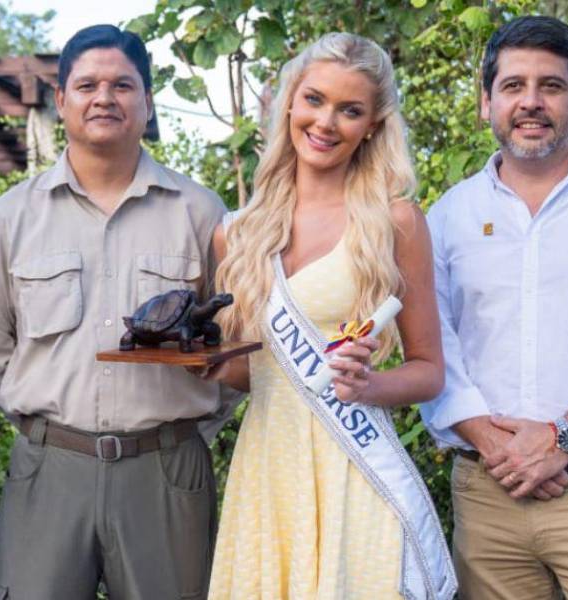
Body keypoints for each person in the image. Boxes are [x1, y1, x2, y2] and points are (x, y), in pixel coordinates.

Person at [0, 25, 235, 600]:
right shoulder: (11, 217)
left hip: (166, 471)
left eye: (122, 85)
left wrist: (183, 436)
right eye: (87, 85)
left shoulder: (201, 212)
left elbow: (233, 345)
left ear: (148, 101)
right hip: (50, 470)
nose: (104, 98)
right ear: (61, 100)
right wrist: (48, 430)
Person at [205, 33, 456, 600]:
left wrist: (370, 385)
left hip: (353, 469)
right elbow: (254, 371)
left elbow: (429, 371)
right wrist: (209, 365)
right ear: (289, 103)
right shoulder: (238, 232)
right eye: (314, 100)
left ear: (372, 126)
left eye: (350, 110)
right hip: (270, 468)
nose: (325, 122)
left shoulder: (394, 222)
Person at [420, 15, 568, 600]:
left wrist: (564, 437)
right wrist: (497, 445)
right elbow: (433, 345)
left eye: (551, 86)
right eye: (513, 85)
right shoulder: (448, 216)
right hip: (487, 496)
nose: (531, 102)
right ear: (486, 103)